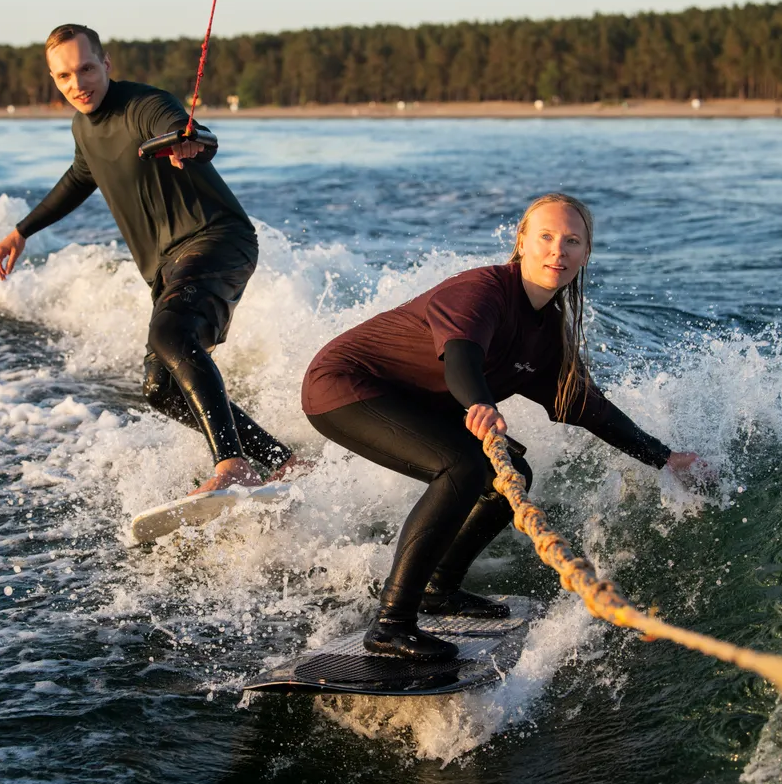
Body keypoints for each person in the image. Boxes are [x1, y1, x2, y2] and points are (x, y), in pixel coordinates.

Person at [301, 193, 702, 661]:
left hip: (416, 400)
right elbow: (461, 357)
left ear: (586, 254)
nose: (559, 250)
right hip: (346, 385)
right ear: (522, 242)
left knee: (511, 475)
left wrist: (665, 458)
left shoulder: (548, 330)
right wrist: (479, 402)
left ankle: (439, 587)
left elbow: (585, 407)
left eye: (572, 241)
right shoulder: (481, 290)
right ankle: (391, 622)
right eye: (547, 237)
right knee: (463, 466)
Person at [0, 24, 297, 494]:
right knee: (160, 389)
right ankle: (283, 461)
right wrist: (21, 231)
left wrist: (188, 141)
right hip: (169, 264)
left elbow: (187, 131)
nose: (78, 84)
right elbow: (78, 178)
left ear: (106, 63)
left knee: (172, 332)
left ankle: (231, 464)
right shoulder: (82, 126)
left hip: (216, 239)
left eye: (87, 69)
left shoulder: (144, 105)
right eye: (64, 76)